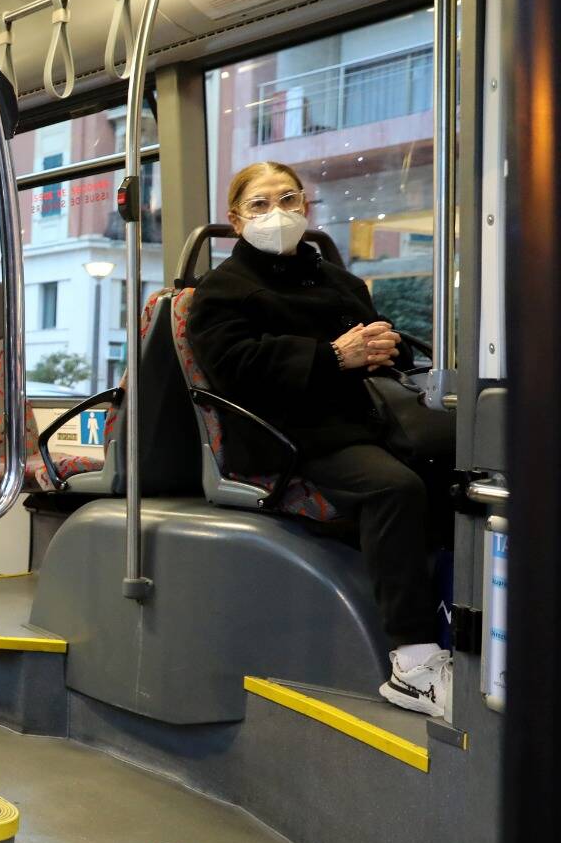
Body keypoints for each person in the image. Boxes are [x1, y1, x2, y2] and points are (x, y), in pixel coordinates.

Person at [188, 160, 453, 718]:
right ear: (236, 220)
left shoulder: (338, 279)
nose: (277, 213)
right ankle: (413, 664)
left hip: (361, 419)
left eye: (288, 199)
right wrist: (333, 356)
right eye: (260, 204)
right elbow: (234, 367)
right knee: (394, 489)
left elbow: (375, 347)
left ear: (305, 206)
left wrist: (384, 348)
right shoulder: (221, 291)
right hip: (287, 432)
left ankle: (470, 623)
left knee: (459, 472)